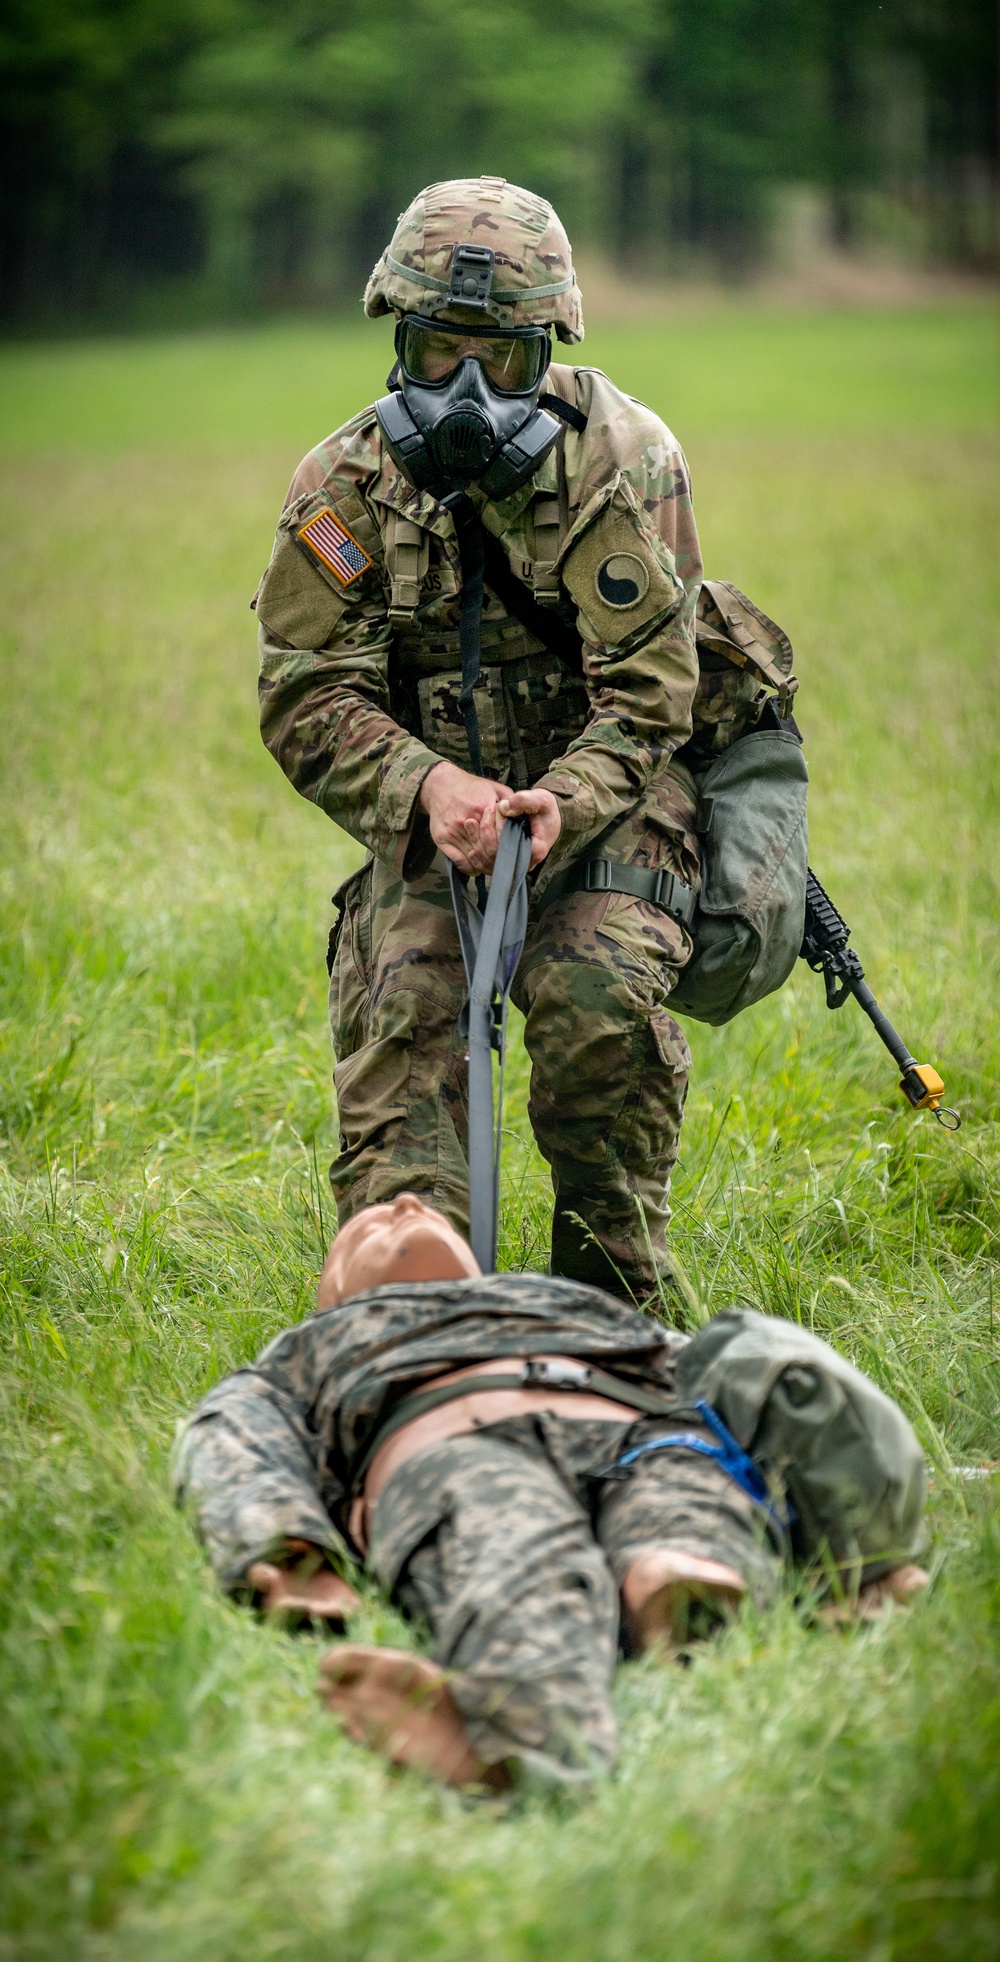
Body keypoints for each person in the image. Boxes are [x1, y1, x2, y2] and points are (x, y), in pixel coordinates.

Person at [254, 175, 714, 1301]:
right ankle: (419, 1325)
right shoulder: (343, 484)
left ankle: (613, 1306)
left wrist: (565, 796)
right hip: (433, 816)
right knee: (409, 1020)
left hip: (612, 794)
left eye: (500, 361)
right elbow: (305, 690)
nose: (464, 392)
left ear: (545, 349)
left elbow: (655, 688)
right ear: (395, 344)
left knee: (589, 993)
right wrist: (423, 789)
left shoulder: (622, 459)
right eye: (436, 354)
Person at [173, 1195, 929, 1793]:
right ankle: (526, 1738)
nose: (405, 1201)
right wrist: (286, 1550)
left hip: (647, 1431)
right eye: (375, 1219)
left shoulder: (561, 1298)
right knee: (517, 1560)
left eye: (416, 1208)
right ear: (334, 1293)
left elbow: (715, 1377)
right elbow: (238, 1437)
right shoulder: (311, 1346)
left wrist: (853, 1529)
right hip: (458, 1448)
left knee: (692, 1498)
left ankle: (676, 1579)